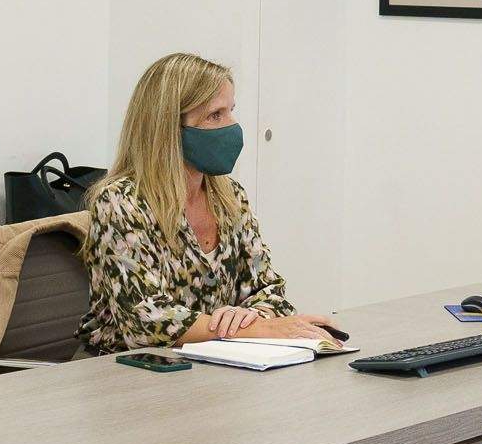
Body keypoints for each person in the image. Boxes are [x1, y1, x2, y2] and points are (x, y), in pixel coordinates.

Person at [78, 52, 339, 356]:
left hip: (216, 365)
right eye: (216, 115)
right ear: (169, 129)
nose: (233, 127)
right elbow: (146, 321)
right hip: (131, 373)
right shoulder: (121, 203)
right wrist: (256, 329)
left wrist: (253, 316)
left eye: (231, 111)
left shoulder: (229, 197)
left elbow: (268, 290)